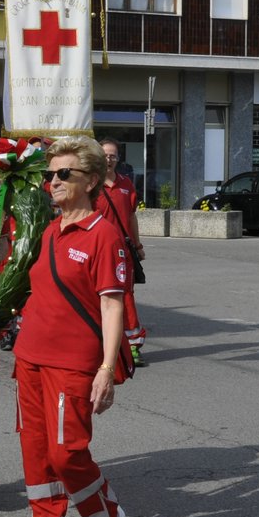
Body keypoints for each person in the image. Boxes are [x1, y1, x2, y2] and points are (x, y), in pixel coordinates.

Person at [4, 136, 129, 517]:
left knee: (66, 454)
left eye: (63, 174)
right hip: (30, 359)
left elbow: (112, 305)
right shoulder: (49, 230)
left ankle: (106, 515)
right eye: (49, 174)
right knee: (36, 455)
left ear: (90, 180)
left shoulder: (103, 235)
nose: (52, 181)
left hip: (73, 363)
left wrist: (106, 369)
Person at [96, 138, 147, 363]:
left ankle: (133, 346)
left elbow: (131, 216)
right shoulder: (90, 184)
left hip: (123, 253)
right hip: (96, 251)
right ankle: (100, 346)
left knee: (125, 296)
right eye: (105, 155)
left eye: (113, 155)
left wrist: (137, 245)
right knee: (96, 297)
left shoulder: (126, 184)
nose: (109, 159)